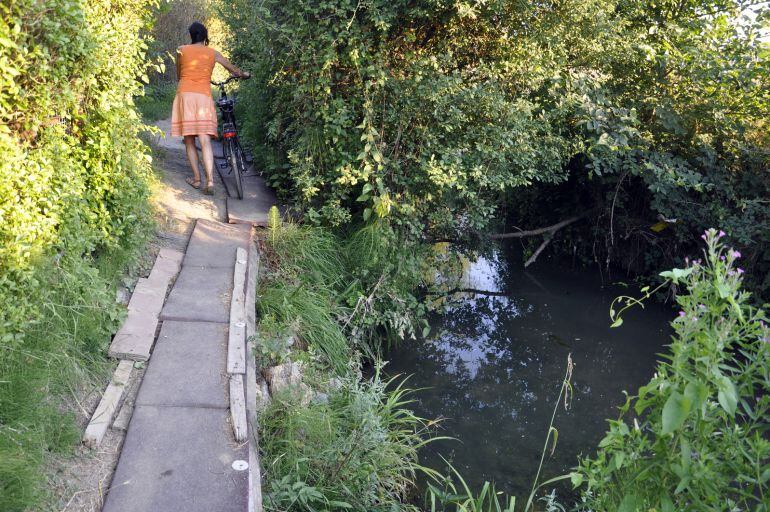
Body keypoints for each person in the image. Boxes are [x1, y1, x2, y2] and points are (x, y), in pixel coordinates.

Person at [171, 22, 249, 195]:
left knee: (190, 140)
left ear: (191, 35)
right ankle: (211, 181)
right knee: (205, 140)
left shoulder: (181, 50)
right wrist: (243, 74)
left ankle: (197, 179)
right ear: (205, 36)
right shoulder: (213, 53)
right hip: (203, 97)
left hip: (185, 95)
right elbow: (233, 70)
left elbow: (179, 74)